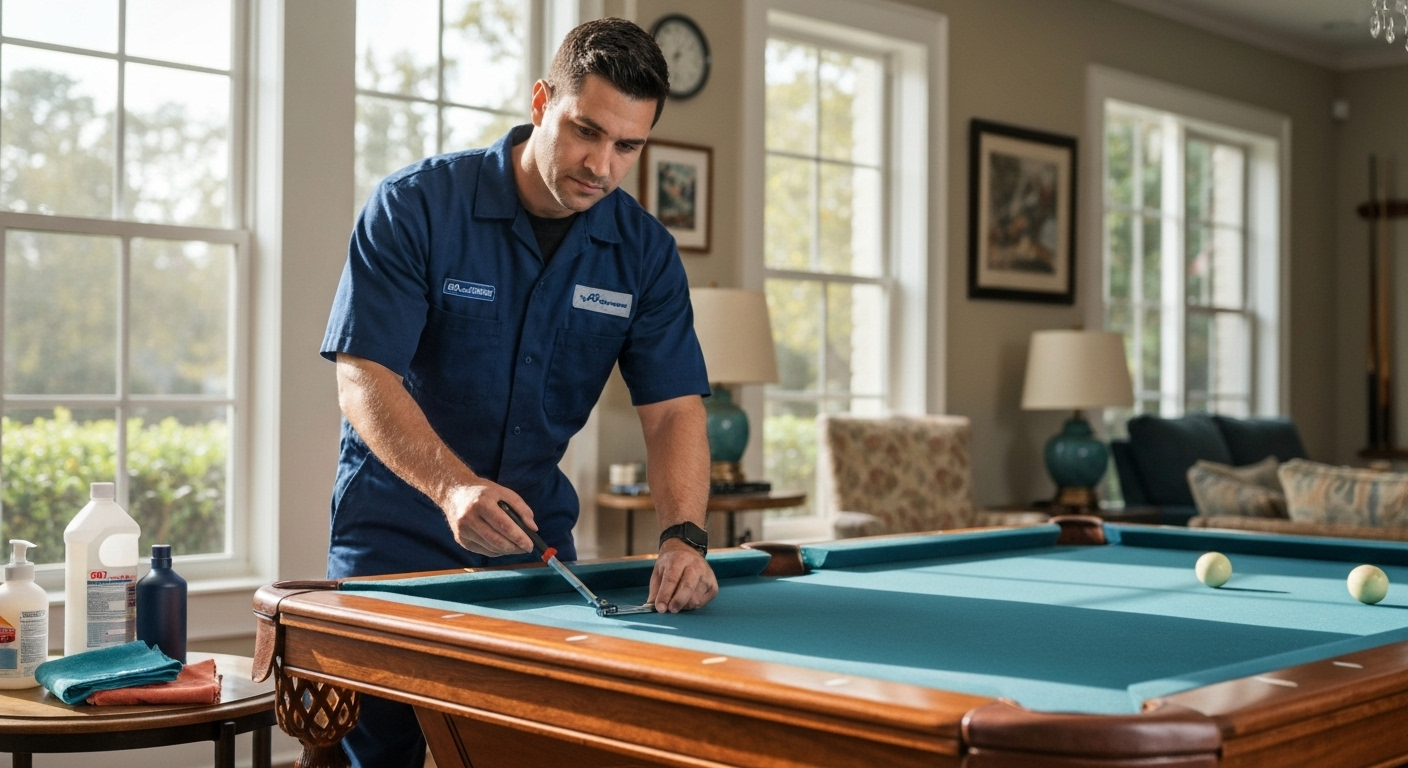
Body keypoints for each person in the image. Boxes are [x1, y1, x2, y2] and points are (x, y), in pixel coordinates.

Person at [320, 18, 717, 768]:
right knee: (382, 755)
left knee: (535, 748)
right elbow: (362, 374)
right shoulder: (415, 206)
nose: (602, 165)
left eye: (627, 146)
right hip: (394, 535)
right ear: (542, 101)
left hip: (533, 543)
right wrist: (451, 488)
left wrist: (684, 535)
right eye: (585, 132)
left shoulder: (645, 255)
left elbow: (671, 411)